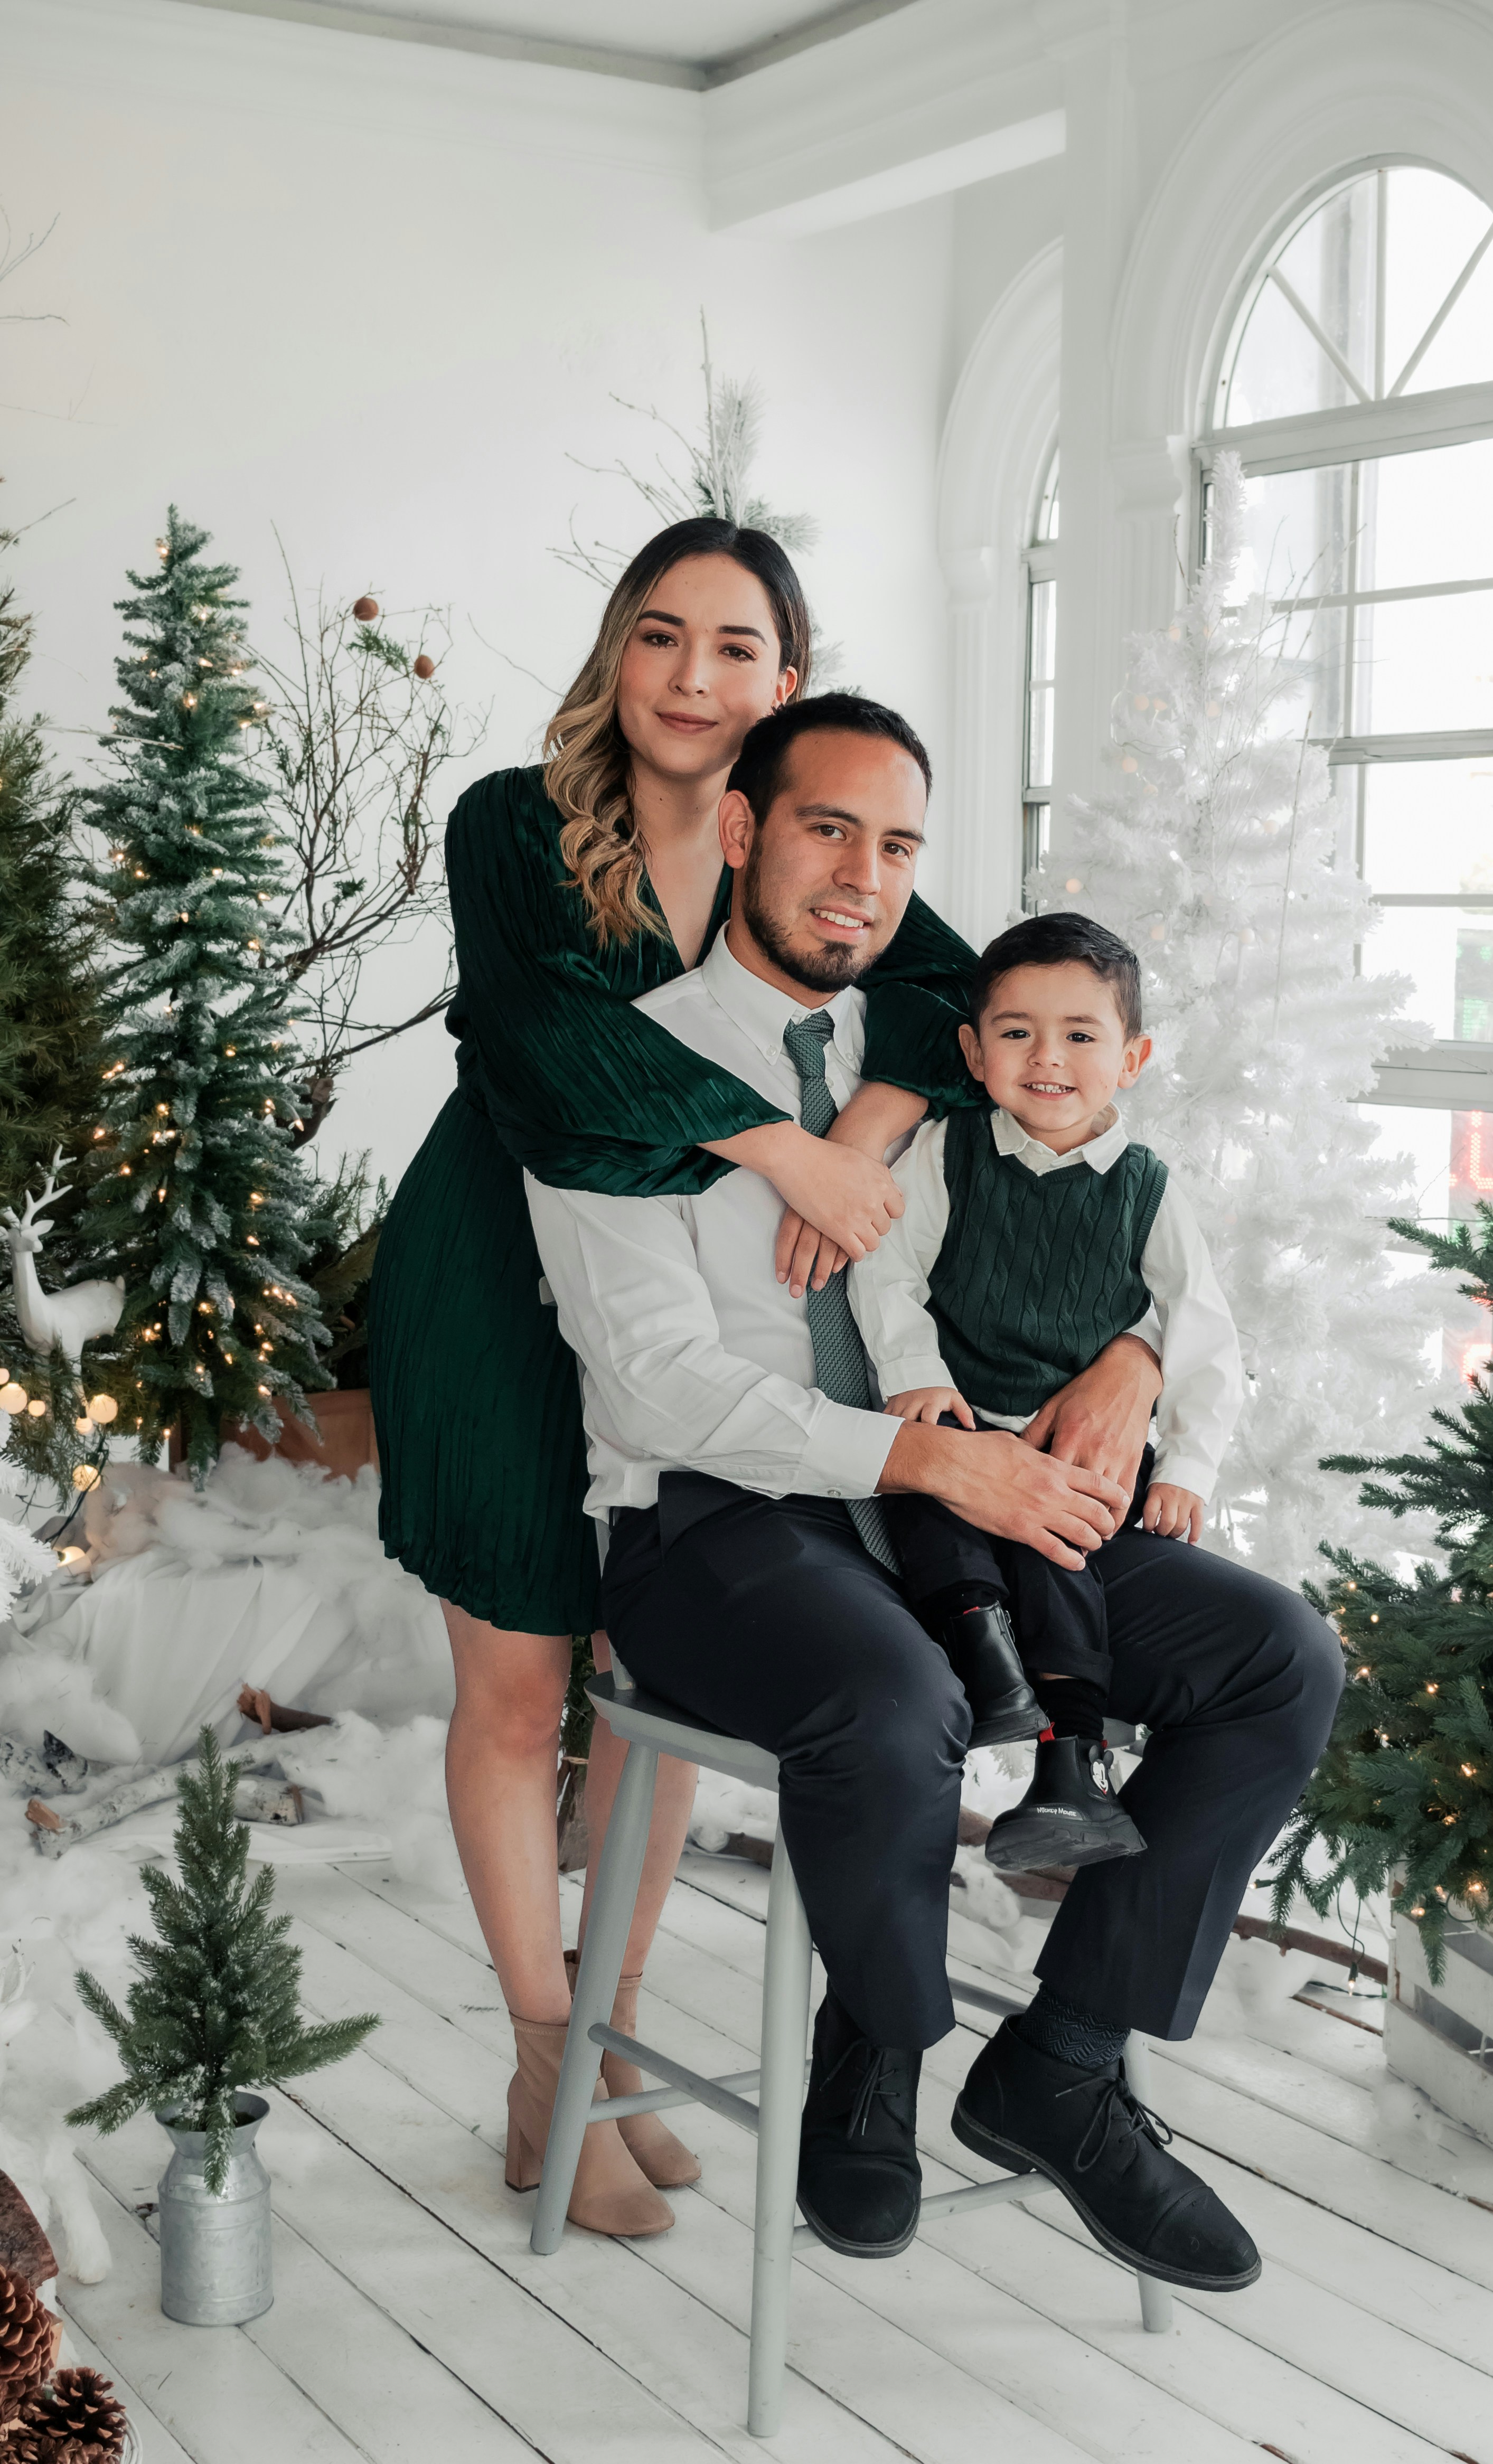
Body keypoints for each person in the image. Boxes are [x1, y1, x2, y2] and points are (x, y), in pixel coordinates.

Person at [526, 691, 1343, 2290]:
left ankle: (1065, 2066)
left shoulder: (946, 1047)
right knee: (898, 1695)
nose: (864, 872)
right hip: (714, 1523)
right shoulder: (616, 1070)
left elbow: (1088, 1226)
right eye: (827, 826)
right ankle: (878, 2050)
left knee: (1277, 1657)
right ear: (745, 828)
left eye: (899, 843)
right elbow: (650, 1385)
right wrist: (919, 1454)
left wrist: (1140, 1358)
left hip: (965, 1497)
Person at [369, 522, 989, 2239]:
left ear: (783, 681)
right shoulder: (514, 823)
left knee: (657, 1669)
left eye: (736, 647)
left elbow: (953, 984)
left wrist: (866, 1120)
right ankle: (540, 2057)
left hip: (688, 1301)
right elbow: (542, 1042)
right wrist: (786, 1147)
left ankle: (611, 2054)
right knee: (517, 1695)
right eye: (661, 636)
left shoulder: (797, 823)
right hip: (498, 1276)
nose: (694, 677)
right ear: (615, 652)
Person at [849, 909, 1243, 1875]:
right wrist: (917, 1379)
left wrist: (1187, 1465)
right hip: (962, 1415)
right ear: (974, 1052)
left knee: (1063, 1555)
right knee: (933, 1512)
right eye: (1017, 1032)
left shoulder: (1148, 1187)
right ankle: (986, 1664)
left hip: (1071, 1440)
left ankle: (1069, 1769)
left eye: (1081, 1034)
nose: (1047, 1059)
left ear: (1133, 1055)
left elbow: (1205, 1335)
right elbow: (887, 1272)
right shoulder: (951, 1151)